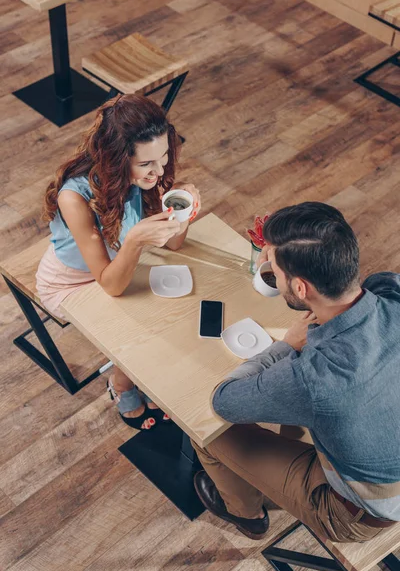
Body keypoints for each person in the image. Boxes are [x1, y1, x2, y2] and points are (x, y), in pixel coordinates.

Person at [192, 202, 400, 542]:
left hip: (358, 513)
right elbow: (379, 284)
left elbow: (225, 401)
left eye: (274, 270)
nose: (269, 269)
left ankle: (247, 514)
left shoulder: (316, 376)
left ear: (301, 289)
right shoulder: (394, 294)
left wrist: (287, 344)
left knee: (206, 433)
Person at [36, 94, 200, 431]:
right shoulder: (74, 196)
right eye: (146, 164)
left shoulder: (151, 173)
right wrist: (136, 239)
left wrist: (184, 212)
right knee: (140, 320)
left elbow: (175, 244)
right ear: (116, 159)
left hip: (119, 262)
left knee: (172, 303)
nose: (159, 171)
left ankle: (139, 375)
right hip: (71, 282)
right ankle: (123, 383)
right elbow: (109, 284)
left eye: (165, 157)